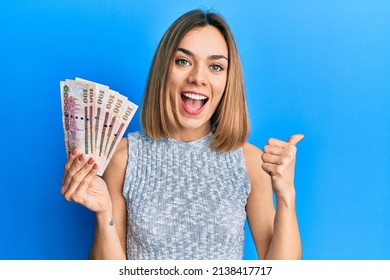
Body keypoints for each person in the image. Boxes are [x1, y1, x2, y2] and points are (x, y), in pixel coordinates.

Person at [61, 9, 303, 260]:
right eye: (183, 61)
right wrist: (103, 214)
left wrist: (286, 196)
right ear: (164, 70)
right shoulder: (123, 157)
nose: (198, 77)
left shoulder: (250, 162)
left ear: (228, 81)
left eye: (216, 66)